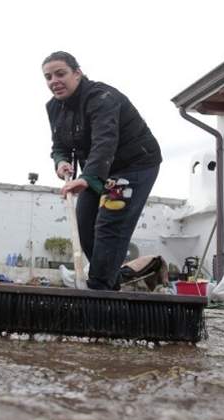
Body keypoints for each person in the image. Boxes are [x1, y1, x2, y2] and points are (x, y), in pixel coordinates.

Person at [42, 51, 162, 291]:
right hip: (99, 172)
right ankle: (111, 280)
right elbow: (60, 145)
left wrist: (87, 178)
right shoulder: (55, 108)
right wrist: (61, 161)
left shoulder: (101, 97)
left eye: (60, 73)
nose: (53, 80)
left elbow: (105, 140)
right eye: (48, 76)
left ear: (78, 73)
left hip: (134, 166)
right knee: (85, 223)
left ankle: (99, 289)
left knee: (110, 223)